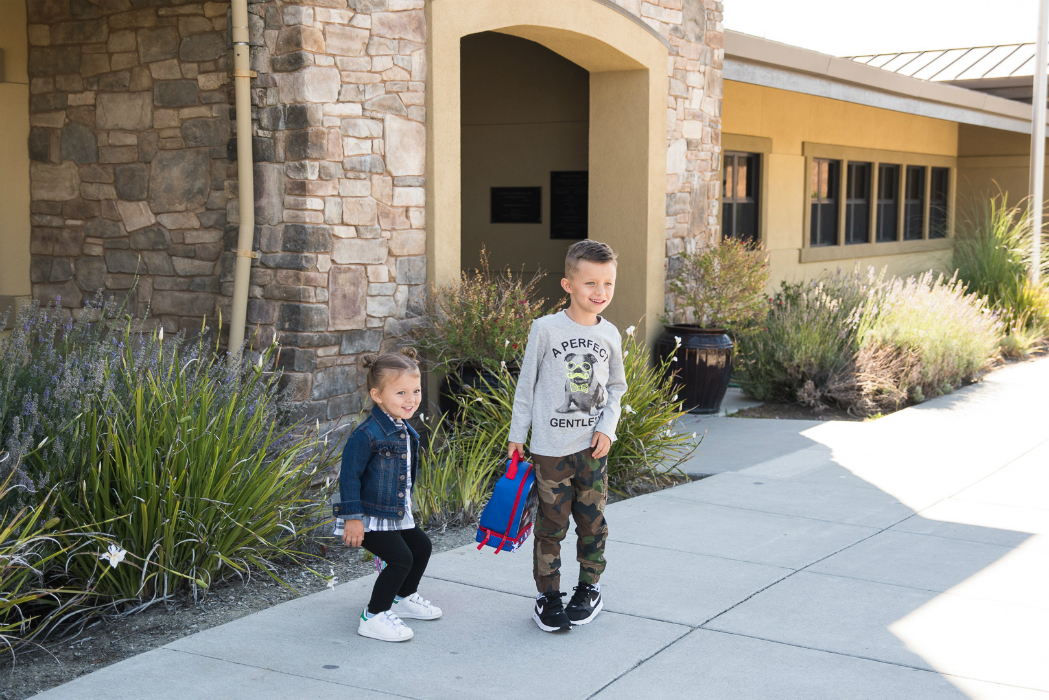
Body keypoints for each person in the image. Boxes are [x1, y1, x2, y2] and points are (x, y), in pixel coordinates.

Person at [507, 240, 627, 632]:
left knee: (593, 523)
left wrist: (607, 428)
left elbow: (617, 389)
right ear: (567, 284)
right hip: (549, 451)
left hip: (591, 451)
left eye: (608, 284)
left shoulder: (610, 335)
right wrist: (517, 435)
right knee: (550, 526)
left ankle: (589, 588)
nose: (600, 292)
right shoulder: (545, 329)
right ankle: (548, 596)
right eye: (591, 282)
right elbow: (526, 387)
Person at [332, 348, 442, 643]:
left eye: (416, 391)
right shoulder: (366, 434)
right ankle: (373, 615)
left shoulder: (402, 428)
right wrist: (352, 519)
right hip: (367, 516)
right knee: (401, 558)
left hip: (392, 512)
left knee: (421, 547)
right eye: (401, 393)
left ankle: (403, 597)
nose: (412, 399)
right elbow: (349, 477)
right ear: (377, 396)